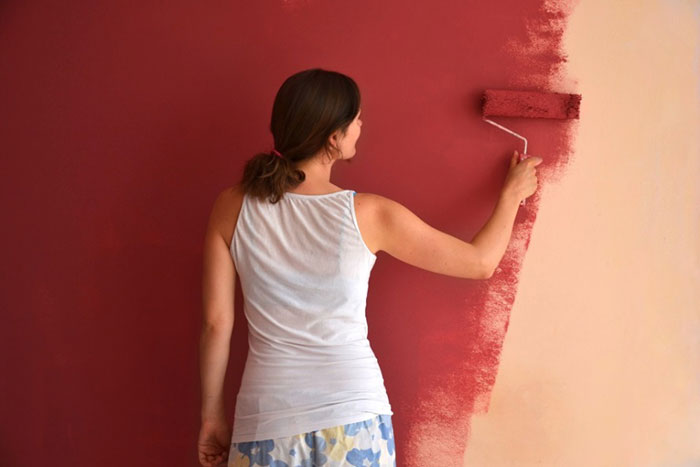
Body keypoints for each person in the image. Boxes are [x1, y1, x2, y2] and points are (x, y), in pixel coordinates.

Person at [197, 68, 542, 467]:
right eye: (357, 118)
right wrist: (512, 195)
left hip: (265, 418)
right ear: (334, 136)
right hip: (353, 417)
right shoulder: (369, 214)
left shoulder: (230, 206)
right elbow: (480, 262)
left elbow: (215, 325)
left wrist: (211, 418)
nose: (362, 125)